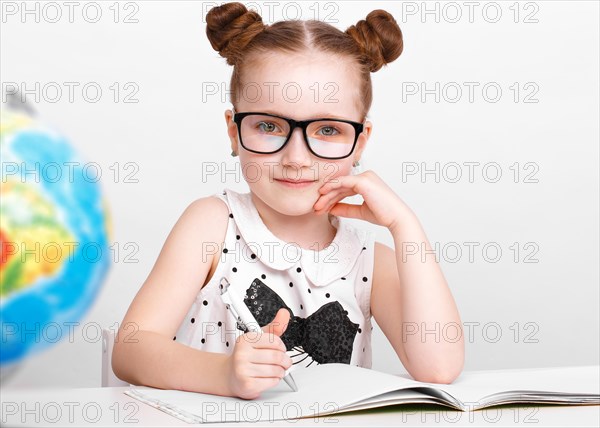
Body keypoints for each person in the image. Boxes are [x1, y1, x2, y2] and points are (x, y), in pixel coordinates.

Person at [112, 2, 464, 400]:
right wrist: (225, 374)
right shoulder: (211, 224)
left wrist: (406, 225)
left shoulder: (369, 260)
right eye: (268, 125)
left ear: (359, 142)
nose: (296, 158)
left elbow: (439, 366)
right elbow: (131, 349)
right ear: (233, 130)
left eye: (328, 129)